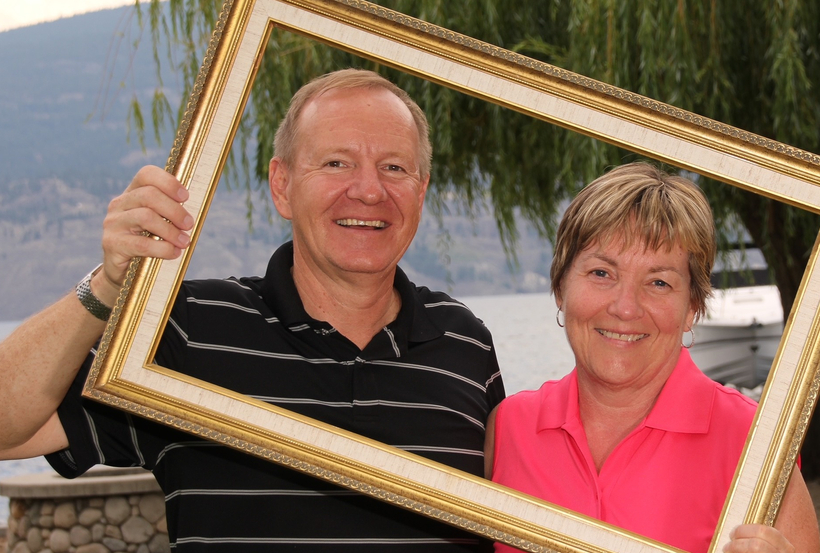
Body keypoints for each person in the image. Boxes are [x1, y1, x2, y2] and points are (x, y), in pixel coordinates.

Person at [0, 69, 505, 551]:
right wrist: (108, 286)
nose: (370, 190)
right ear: (281, 186)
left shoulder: (464, 343)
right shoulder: (186, 329)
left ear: (421, 190)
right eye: (337, 163)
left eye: (394, 167)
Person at [485, 162, 820, 553]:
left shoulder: (753, 442)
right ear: (561, 286)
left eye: (659, 282)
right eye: (601, 273)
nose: (626, 307)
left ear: (692, 306)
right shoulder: (509, 428)